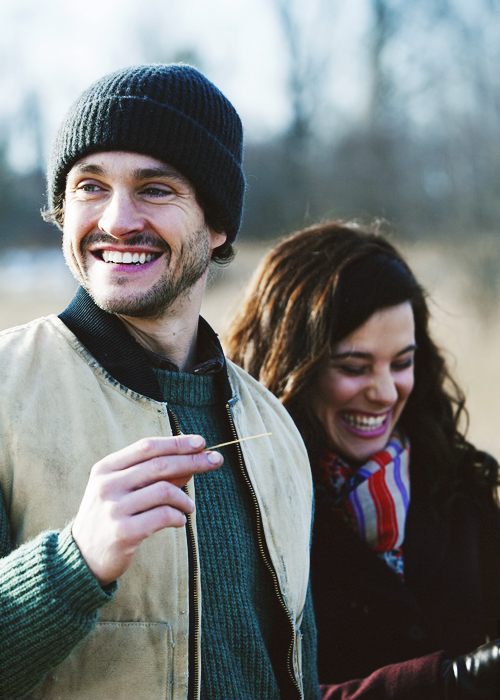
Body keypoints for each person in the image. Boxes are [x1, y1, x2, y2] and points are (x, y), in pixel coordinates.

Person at [0, 64, 321, 700]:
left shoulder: (276, 430)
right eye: (90, 187)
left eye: (155, 189)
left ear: (217, 223)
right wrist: (74, 565)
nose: (117, 220)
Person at [224, 220, 500, 699]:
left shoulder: (460, 486)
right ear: (291, 367)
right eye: (354, 367)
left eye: (402, 362)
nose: (386, 392)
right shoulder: (237, 513)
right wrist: (452, 682)